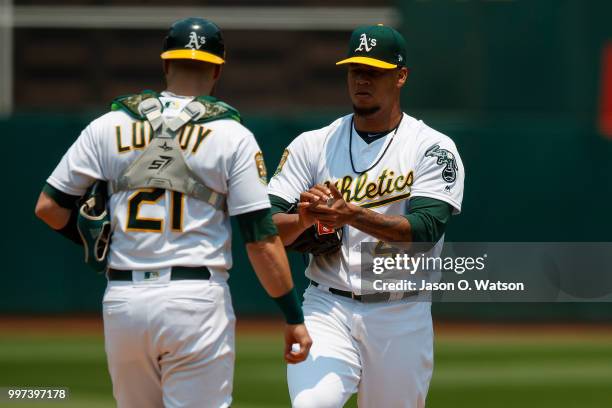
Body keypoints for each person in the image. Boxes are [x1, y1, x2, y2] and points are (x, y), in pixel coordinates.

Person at [35, 17, 311, 408]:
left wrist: (97, 238)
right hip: (195, 299)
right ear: (217, 69)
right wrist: (292, 315)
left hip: (124, 300)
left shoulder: (109, 124)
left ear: (166, 64)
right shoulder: (231, 135)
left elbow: (49, 207)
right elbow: (262, 240)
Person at [268, 24, 464, 408]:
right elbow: (266, 226)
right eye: (356, 70)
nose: (363, 79)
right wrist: (305, 219)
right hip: (327, 304)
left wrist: (350, 213)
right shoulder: (313, 144)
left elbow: (423, 231)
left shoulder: (433, 148)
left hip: (400, 310)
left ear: (401, 76)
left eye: (374, 71)